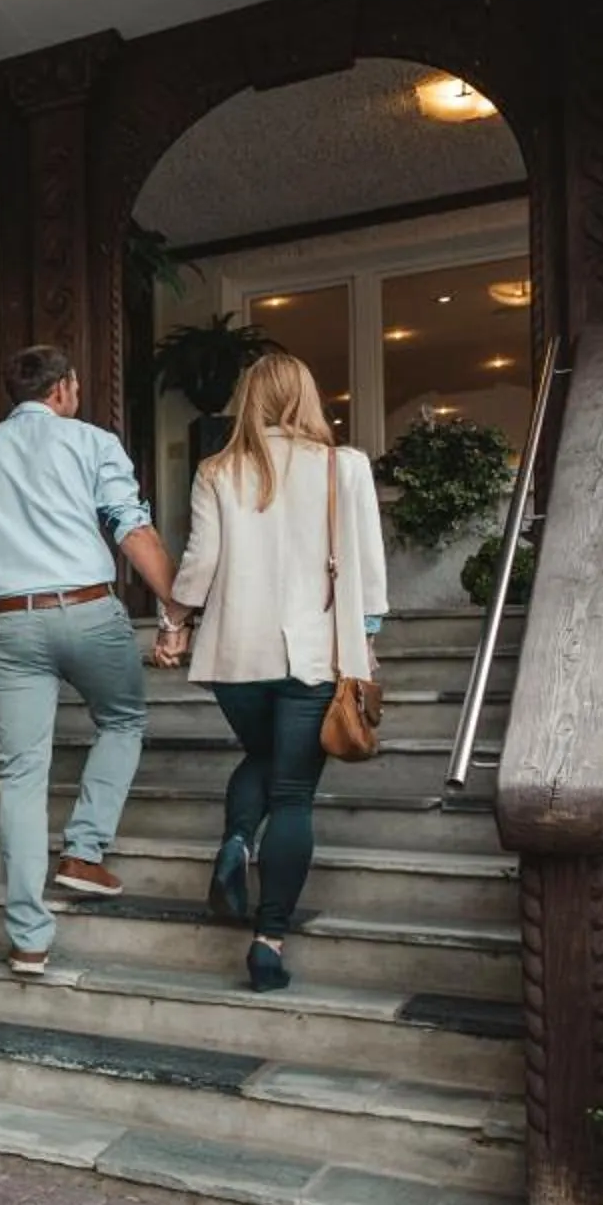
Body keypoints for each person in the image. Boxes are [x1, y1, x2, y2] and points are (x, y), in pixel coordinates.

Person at [0, 345, 184, 976]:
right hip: (89, 609)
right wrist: (177, 612)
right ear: (64, 388)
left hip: (8, 621)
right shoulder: (93, 443)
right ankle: (84, 852)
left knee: (20, 777)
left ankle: (28, 940)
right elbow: (132, 530)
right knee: (123, 720)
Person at [158, 352, 390, 993]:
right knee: (292, 794)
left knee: (263, 756)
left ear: (249, 399)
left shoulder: (217, 469)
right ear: (305, 397)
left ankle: (236, 844)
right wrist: (367, 638)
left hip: (237, 657)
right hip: (314, 655)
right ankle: (268, 941)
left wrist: (173, 621)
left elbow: (199, 565)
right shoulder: (344, 466)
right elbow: (369, 564)